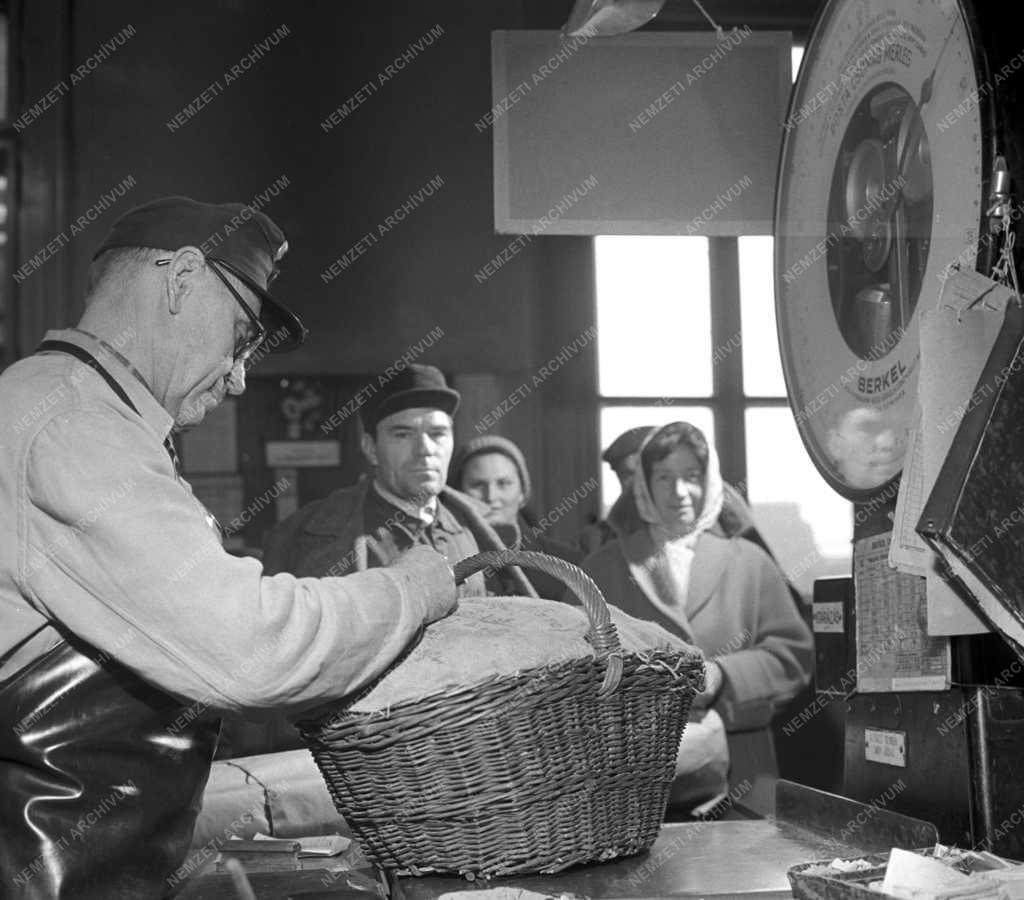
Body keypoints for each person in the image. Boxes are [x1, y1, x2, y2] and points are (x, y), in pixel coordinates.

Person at [0, 197, 458, 899]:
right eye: (241, 338)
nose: (240, 376)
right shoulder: (71, 425)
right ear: (182, 278)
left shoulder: (65, 406)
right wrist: (414, 587)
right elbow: (251, 647)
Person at [579, 421, 813, 818]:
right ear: (644, 485)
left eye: (691, 476)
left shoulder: (750, 563)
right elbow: (568, 666)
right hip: (631, 786)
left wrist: (723, 675)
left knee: (744, 858)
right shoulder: (602, 567)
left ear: (710, 480)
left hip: (743, 778)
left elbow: (794, 658)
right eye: (664, 477)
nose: (679, 492)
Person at [263, 364, 535, 597]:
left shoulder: (484, 526)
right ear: (371, 448)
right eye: (403, 434)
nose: (425, 449)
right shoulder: (309, 535)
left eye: (438, 434)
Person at [449, 434, 584, 599]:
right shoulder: (447, 564)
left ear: (522, 493)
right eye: (478, 485)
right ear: (458, 494)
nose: (491, 496)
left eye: (503, 484)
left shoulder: (568, 565)